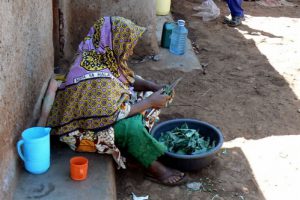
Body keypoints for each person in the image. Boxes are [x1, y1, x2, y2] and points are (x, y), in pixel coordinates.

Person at [39, 16, 186, 186]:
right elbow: (112, 115)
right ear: (113, 42)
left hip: (103, 112)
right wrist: (150, 102)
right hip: (79, 130)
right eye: (128, 46)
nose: (130, 52)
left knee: (146, 96)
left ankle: (137, 150)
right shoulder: (94, 79)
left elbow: (125, 79)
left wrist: (153, 87)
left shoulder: (99, 54)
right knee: (130, 128)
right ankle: (154, 168)